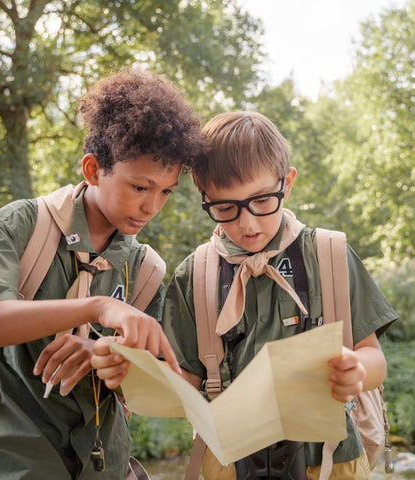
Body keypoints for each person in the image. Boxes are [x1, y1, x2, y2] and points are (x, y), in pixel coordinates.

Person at [93, 111, 398, 480]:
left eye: (262, 200)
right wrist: (133, 371)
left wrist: (357, 369)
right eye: (225, 208)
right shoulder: (196, 274)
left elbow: (374, 359)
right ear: (204, 199)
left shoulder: (328, 255)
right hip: (227, 463)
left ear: (287, 184)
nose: (247, 222)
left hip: (330, 461)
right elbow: (186, 381)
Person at [0, 68, 206, 479]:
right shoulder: (22, 225)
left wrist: (106, 358)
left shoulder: (146, 269)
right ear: (94, 169)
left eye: (166, 192)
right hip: (10, 459)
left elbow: (145, 382)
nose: (152, 207)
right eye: (139, 187)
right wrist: (96, 308)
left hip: (105, 465)